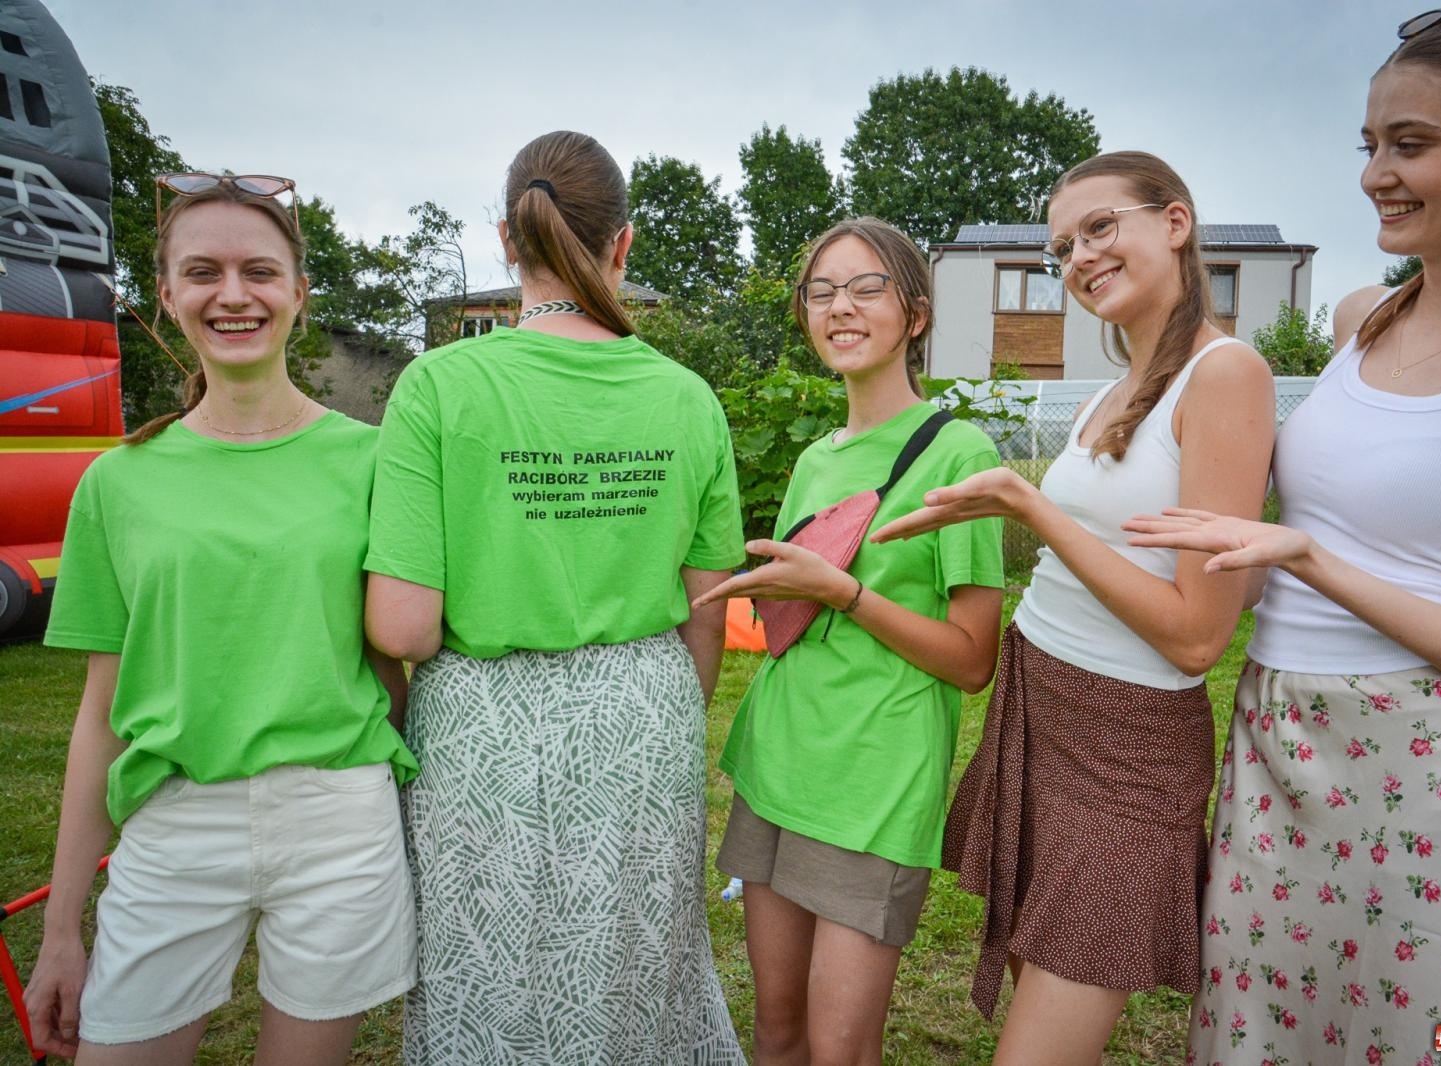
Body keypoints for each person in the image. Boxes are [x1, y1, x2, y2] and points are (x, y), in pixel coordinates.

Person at [1123, 7, 1441, 1063]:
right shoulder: (1358, 319)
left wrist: (1312, 561)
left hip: (1421, 762)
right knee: (1261, 1037)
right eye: (1369, 144)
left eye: (1411, 144)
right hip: (1272, 731)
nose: (1375, 172)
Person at [874, 151, 1276, 1065]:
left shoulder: (1227, 375)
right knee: (1040, 1009)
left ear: (1174, 222)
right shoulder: (1107, 391)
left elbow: (1195, 635)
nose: (1079, 257)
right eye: (1062, 246)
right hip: (1039, 710)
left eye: (1100, 228)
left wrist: (1030, 506)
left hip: (1126, 749)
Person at [363, 130, 747, 1066]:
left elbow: (402, 623)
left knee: (481, 970)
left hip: (480, 726)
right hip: (642, 713)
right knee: (628, 967)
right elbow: (710, 608)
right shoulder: (688, 398)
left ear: (506, 238)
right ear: (624, 244)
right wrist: (661, 703)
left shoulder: (440, 385)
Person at [23, 173, 418, 1066]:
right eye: (203, 272)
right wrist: (60, 928)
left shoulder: (377, 463)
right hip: (172, 822)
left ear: (299, 295)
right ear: (165, 295)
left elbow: (403, 656)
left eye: (260, 272)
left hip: (339, 822)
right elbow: (99, 711)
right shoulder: (117, 481)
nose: (233, 295)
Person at [693, 217, 1005, 1066]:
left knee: (838, 1048)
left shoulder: (958, 454)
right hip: (778, 762)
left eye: (866, 287)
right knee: (778, 1033)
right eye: (822, 291)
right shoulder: (816, 458)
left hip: (873, 783)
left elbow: (973, 659)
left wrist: (848, 593)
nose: (841, 307)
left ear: (914, 312)